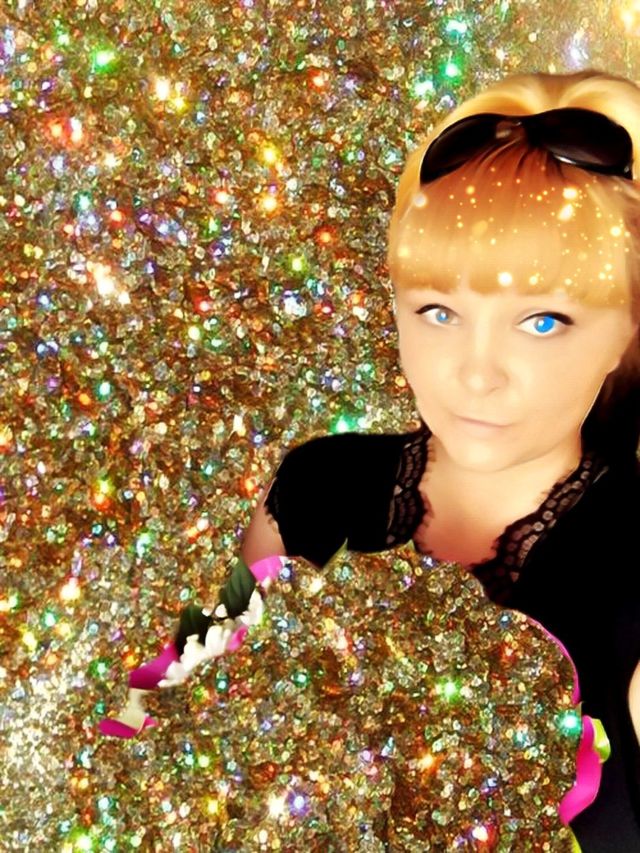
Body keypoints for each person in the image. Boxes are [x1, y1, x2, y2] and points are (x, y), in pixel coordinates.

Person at [99, 67, 640, 852]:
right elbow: (162, 704)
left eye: (544, 320)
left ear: (628, 329)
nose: (476, 371)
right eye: (440, 310)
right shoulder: (317, 485)